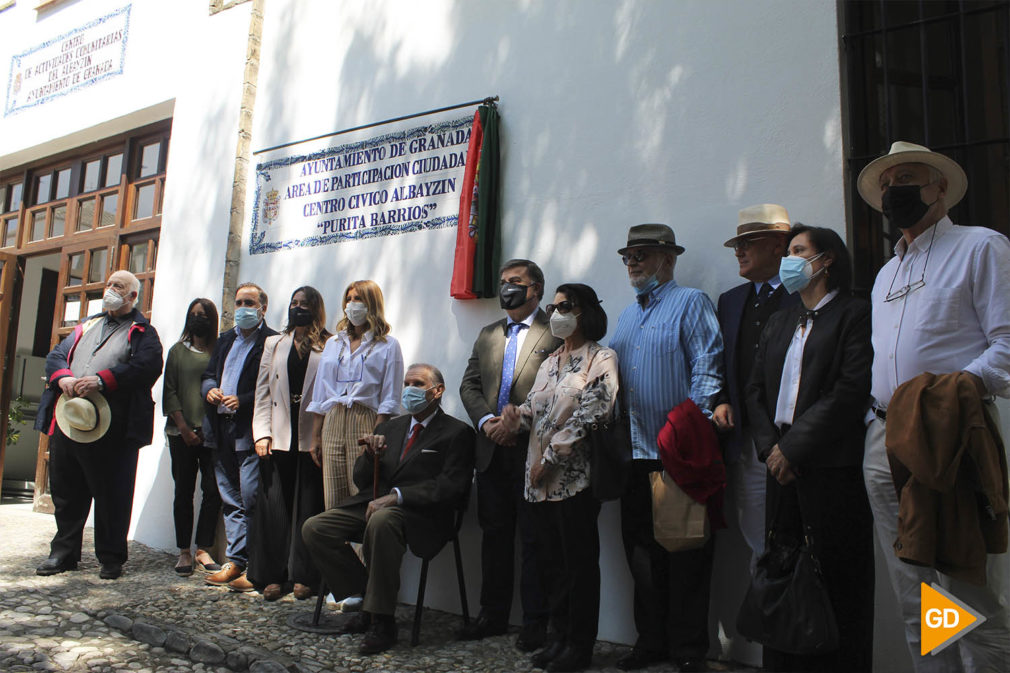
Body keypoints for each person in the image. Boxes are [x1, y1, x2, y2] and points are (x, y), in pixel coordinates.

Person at [858, 141, 1010, 672]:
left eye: (908, 178)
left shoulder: (981, 247)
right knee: (916, 597)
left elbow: (1008, 347)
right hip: (882, 440)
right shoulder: (885, 275)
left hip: (950, 437)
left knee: (970, 596)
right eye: (887, 183)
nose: (894, 191)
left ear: (939, 187)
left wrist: (951, 394)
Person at [746, 225, 874, 672]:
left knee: (837, 579)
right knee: (780, 573)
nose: (790, 260)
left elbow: (849, 390)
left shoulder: (854, 314)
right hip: (779, 467)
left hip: (829, 468)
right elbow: (755, 391)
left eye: (799, 251)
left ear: (827, 261)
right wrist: (770, 450)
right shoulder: (782, 320)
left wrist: (794, 449)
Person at [609, 224, 723, 672]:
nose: (633, 262)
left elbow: (707, 370)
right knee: (640, 557)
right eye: (629, 256)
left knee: (687, 554)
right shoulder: (625, 315)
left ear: (668, 259)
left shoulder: (690, 302)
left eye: (642, 254)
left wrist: (684, 432)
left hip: (675, 456)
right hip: (633, 456)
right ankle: (649, 643)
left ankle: (689, 651)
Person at [302, 363, 475, 655]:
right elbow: (361, 478)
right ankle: (370, 598)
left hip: (420, 514)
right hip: (372, 504)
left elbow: (451, 487)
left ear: (437, 391)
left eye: (418, 384)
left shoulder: (457, 433)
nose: (409, 389)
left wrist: (398, 496)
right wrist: (371, 456)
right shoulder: (389, 427)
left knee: (382, 520)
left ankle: (383, 621)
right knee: (315, 528)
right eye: (406, 383)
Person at [501, 283, 619, 673]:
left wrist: (549, 459)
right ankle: (558, 638)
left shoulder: (600, 358)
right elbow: (535, 408)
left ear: (584, 311)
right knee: (551, 565)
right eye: (552, 307)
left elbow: (592, 414)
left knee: (579, 567)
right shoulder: (551, 360)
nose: (556, 313)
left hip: (573, 480)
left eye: (564, 306)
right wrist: (516, 417)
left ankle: (579, 646)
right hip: (537, 483)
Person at [458, 259, 562, 651]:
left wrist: (517, 424)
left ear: (535, 289)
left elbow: (560, 386)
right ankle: (492, 614)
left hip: (533, 450)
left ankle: (536, 621)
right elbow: (469, 385)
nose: (506, 289)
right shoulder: (488, 335)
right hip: (490, 453)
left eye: (515, 283)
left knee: (537, 539)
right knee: (495, 537)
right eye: (503, 282)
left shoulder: (554, 332)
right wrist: (487, 422)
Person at [34, 270, 163, 580]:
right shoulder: (88, 323)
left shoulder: (144, 332)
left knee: (112, 495)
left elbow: (147, 367)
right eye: (108, 284)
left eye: (118, 286)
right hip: (71, 423)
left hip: (113, 431)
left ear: (133, 296)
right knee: (66, 492)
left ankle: (111, 558)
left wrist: (103, 380)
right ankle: (63, 553)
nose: (110, 289)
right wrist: (64, 377)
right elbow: (57, 355)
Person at [713, 204, 797, 566]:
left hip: (796, 440)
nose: (739, 251)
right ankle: (769, 614)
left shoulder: (804, 294)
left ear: (779, 245)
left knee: (797, 538)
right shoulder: (731, 301)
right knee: (757, 539)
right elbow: (719, 360)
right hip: (747, 440)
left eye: (748, 242)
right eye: (737, 244)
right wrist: (720, 400)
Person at [248, 286, 330, 601]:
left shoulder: (329, 344)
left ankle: (305, 576)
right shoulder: (274, 343)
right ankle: (271, 575)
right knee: (273, 508)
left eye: (305, 304)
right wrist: (261, 433)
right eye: (294, 303)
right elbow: (263, 391)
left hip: (312, 434)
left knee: (310, 508)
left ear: (316, 308)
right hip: (278, 433)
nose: (298, 308)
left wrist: (323, 435)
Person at [202, 282, 277, 592]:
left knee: (252, 498)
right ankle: (235, 561)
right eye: (239, 302)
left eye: (249, 302)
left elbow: (273, 386)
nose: (243, 308)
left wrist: (242, 399)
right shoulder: (224, 340)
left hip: (250, 429)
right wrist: (210, 390)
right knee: (230, 497)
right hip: (221, 430)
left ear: (263, 308)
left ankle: (258, 567)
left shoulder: (272, 342)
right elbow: (207, 375)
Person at [306, 280, 403, 511]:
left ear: (372, 303)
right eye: (348, 299)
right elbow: (320, 392)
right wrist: (315, 437)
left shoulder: (388, 345)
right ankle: (336, 545)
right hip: (334, 418)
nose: (352, 304)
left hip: (365, 419)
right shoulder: (333, 343)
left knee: (361, 490)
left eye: (358, 299)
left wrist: (376, 434)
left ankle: (362, 547)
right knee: (333, 494)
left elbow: (389, 397)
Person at [163, 298, 222, 576]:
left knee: (212, 491)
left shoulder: (221, 350)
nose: (198, 319)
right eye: (194, 314)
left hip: (211, 433)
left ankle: (203, 548)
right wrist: (184, 428)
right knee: (183, 492)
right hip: (181, 433)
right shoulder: (177, 351)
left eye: (204, 315)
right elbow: (170, 391)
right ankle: (184, 551)